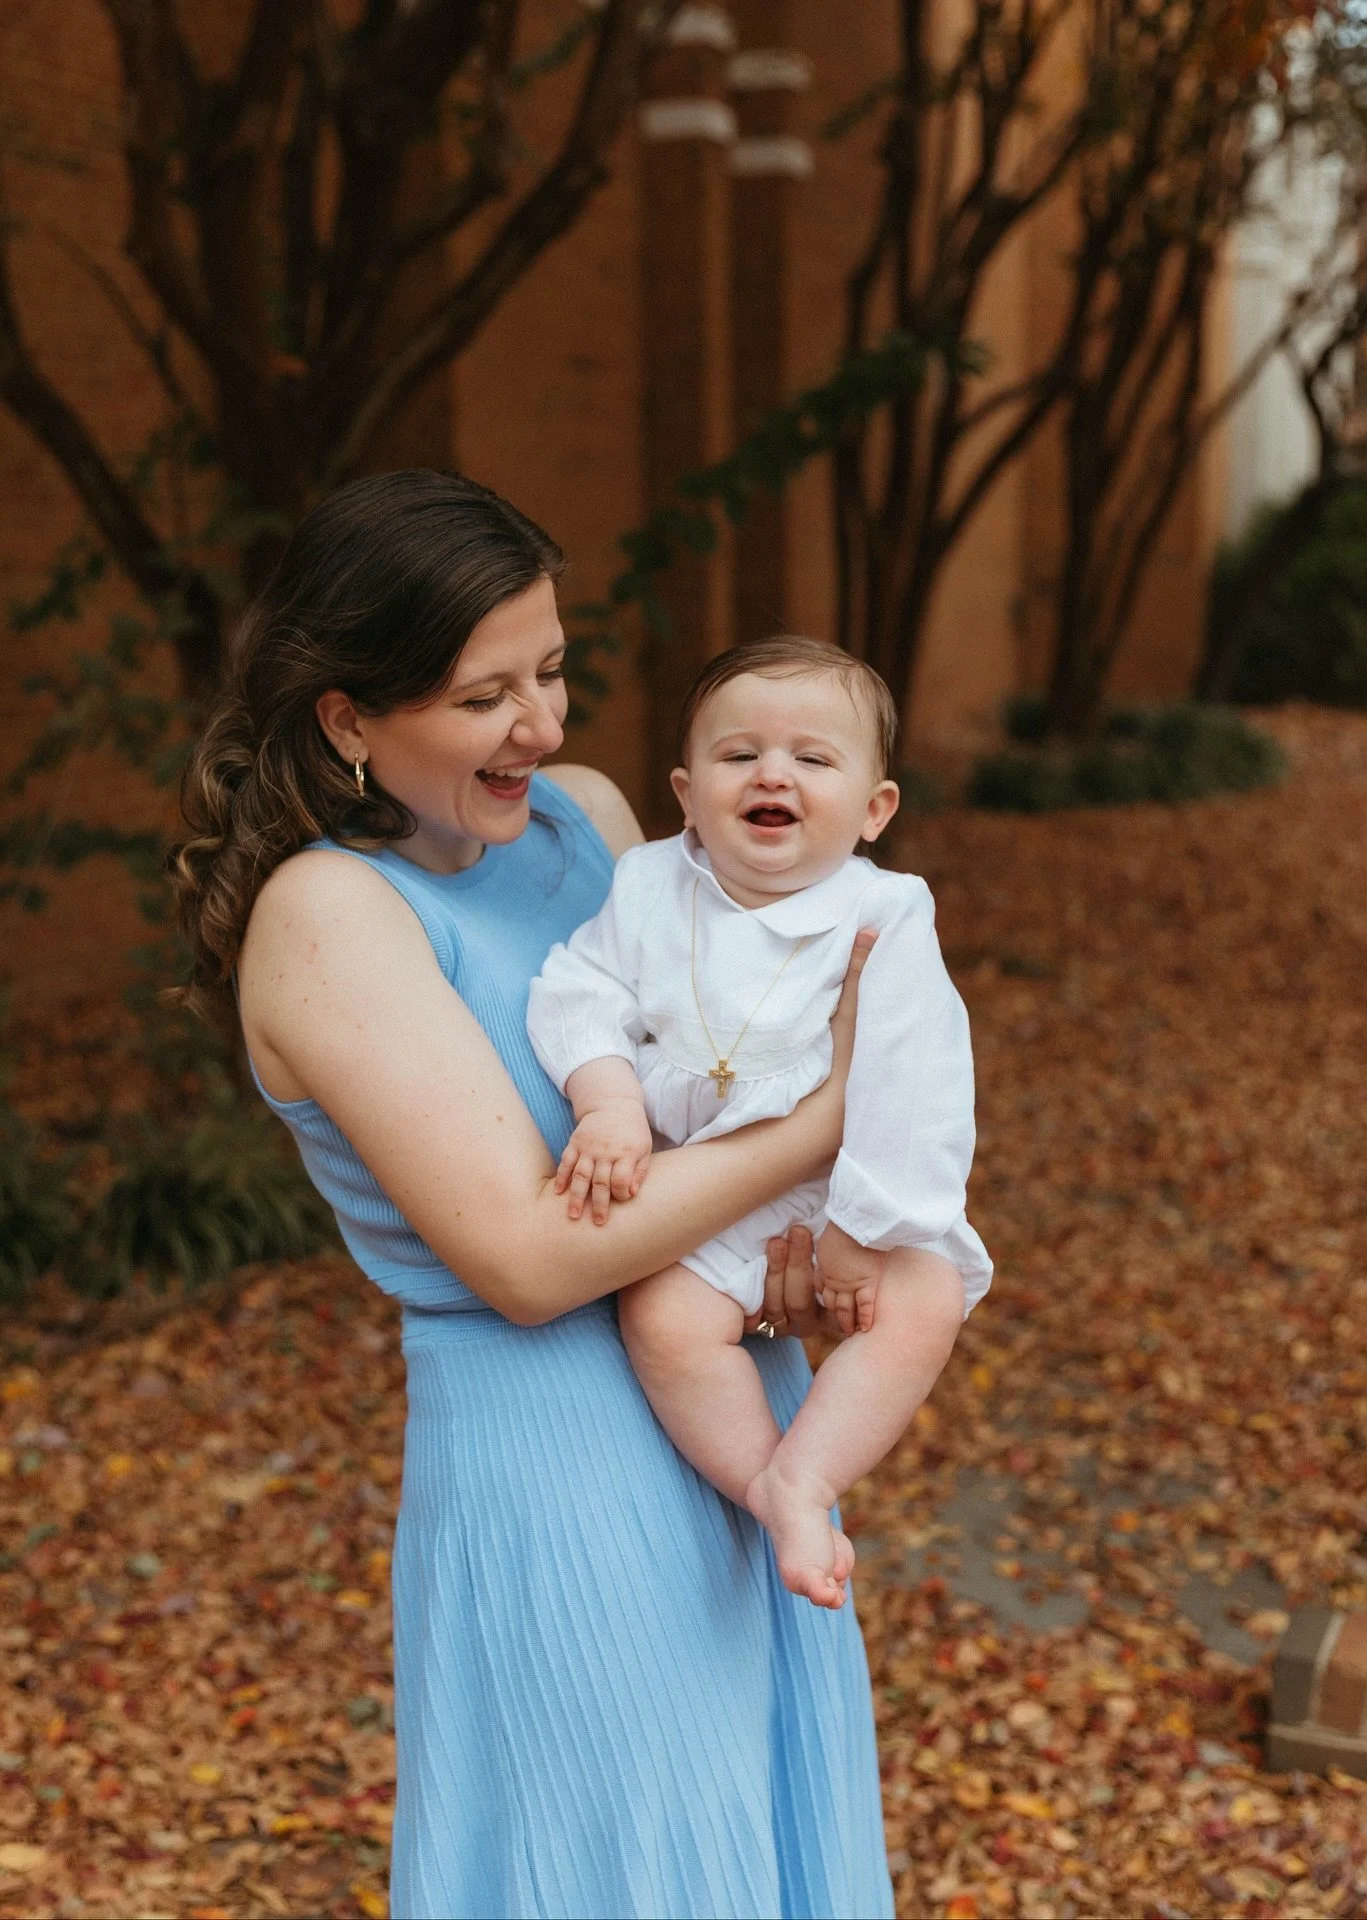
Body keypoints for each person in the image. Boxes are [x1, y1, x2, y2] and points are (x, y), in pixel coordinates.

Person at [169, 472, 894, 1920]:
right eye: (484, 696)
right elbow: (525, 1257)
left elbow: (704, 1088)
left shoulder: (586, 818)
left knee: (765, 1841)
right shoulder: (326, 915)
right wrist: (822, 1122)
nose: (544, 727)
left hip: (737, 1415)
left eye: (551, 671)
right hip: (561, 1473)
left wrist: (784, 1263)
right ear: (349, 719)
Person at [526, 638, 992, 1610]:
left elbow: (917, 1078)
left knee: (927, 1297)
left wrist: (863, 1231)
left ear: (875, 809)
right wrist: (607, 1099)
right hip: (699, 1194)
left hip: (841, 1194)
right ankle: (763, 1487)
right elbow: (579, 991)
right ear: (687, 795)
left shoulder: (884, 911)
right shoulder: (649, 886)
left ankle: (810, 1473)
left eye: (812, 758)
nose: (773, 773)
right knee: (663, 1317)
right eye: (739, 755)